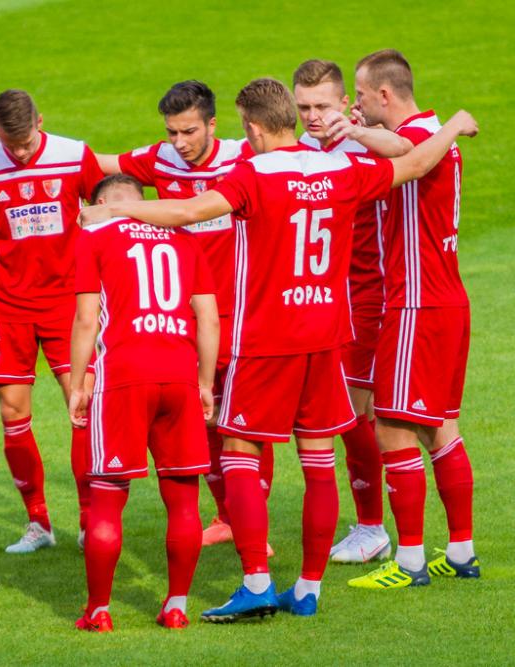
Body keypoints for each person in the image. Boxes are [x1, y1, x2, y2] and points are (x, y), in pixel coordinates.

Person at [79, 77, 478, 619]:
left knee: (239, 453)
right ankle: (308, 590)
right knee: (318, 462)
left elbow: (189, 212)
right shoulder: (341, 168)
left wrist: (115, 212)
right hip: (327, 337)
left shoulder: (252, 173)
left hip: (266, 340)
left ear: (251, 126)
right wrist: (452, 127)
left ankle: (257, 583)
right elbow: (414, 162)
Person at [96, 80, 275, 551]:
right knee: (205, 417)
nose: (179, 142)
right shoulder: (160, 160)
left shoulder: (245, 158)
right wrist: (7, 150)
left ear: (213, 124)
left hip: (244, 312)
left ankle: (253, 522)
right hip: (187, 319)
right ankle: (228, 515)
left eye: (189, 131)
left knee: (246, 423)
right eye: (172, 132)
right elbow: (94, 164)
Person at [333, 50, 480, 589]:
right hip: (448, 302)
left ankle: (411, 562)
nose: (357, 104)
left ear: (385, 95)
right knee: (441, 428)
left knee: (392, 428)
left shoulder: (421, 137)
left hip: (417, 305)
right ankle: (460, 551)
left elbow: (409, 157)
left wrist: (352, 131)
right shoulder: (433, 134)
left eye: (361, 96)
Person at [68, 174, 219, 632]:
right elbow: (208, 318)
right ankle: (176, 606)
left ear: (99, 204)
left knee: (107, 499)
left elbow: (86, 319)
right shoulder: (185, 238)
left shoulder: (94, 236)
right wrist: (205, 382)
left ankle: (99, 611)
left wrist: (77, 383)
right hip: (180, 375)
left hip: (124, 378)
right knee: (184, 501)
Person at [0, 89, 104, 552]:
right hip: (7, 305)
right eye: (10, 144)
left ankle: (88, 518)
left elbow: (105, 215)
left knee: (81, 407)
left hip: (69, 303)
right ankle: (38, 522)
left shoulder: (74, 155)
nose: (19, 153)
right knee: (12, 413)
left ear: (41, 121)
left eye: (26, 143)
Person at [293, 59, 406, 563]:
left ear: (344, 103)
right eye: (303, 107)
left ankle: (373, 527)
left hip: (366, 299)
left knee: (354, 413)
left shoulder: (364, 146)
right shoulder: (297, 150)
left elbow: (408, 150)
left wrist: (359, 131)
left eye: (322, 105)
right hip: (319, 303)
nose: (313, 116)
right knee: (343, 413)